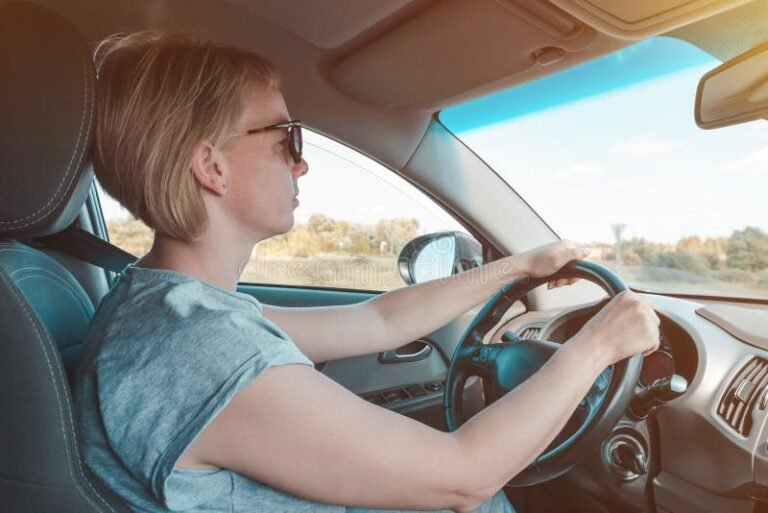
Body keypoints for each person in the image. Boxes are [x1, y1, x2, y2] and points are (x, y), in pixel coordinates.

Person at [71, 31, 660, 513]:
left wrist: (517, 267)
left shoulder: (175, 307)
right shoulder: (199, 348)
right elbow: (464, 476)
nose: (301, 164)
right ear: (211, 166)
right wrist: (598, 345)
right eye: (285, 138)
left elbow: (375, 320)